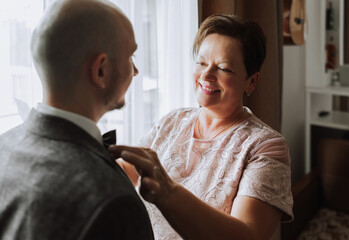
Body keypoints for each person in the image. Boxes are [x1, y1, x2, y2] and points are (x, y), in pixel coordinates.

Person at [110, 14, 293, 239]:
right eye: (202, 62)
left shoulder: (265, 147)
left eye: (223, 68)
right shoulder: (172, 121)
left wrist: (168, 191)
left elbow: (248, 235)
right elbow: (125, 172)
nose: (206, 75)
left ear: (251, 81)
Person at [0, 0, 154, 239]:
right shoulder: (113, 201)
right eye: (130, 56)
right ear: (100, 71)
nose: (135, 71)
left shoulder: (4, 145)